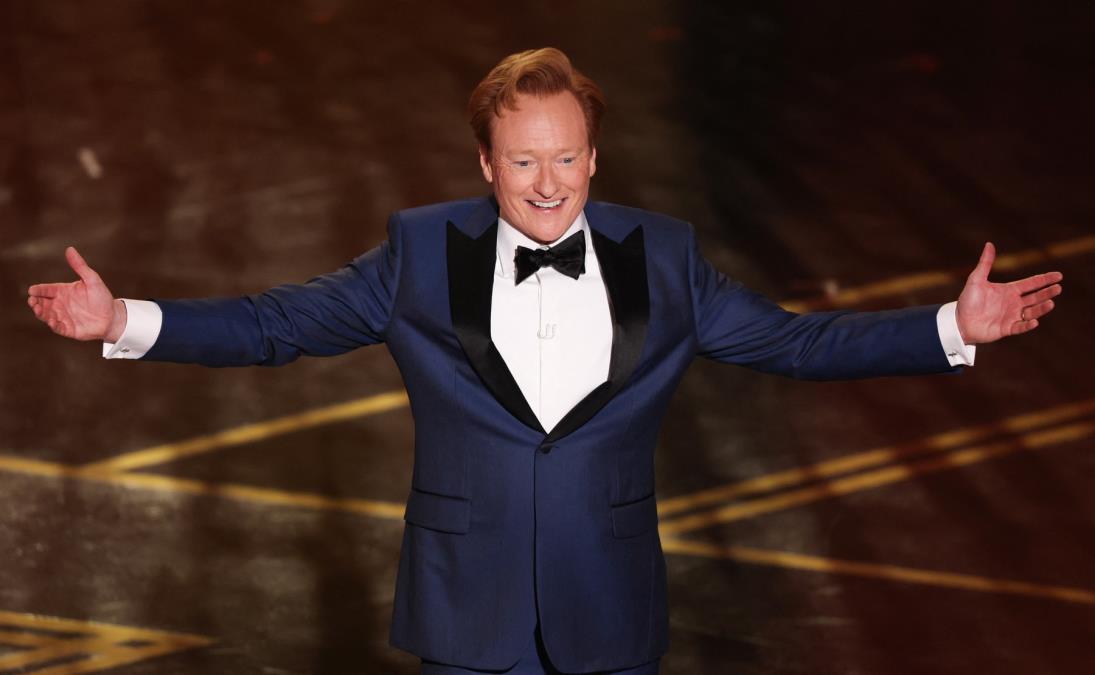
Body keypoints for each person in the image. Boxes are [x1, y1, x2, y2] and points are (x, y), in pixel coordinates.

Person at [26, 48, 1062, 675]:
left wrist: (950, 327)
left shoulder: (664, 256)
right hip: (467, 617)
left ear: (595, 156)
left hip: (609, 612)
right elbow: (274, 324)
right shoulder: (419, 253)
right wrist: (127, 318)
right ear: (486, 163)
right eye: (524, 159)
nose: (549, 182)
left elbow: (796, 343)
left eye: (567, 156)